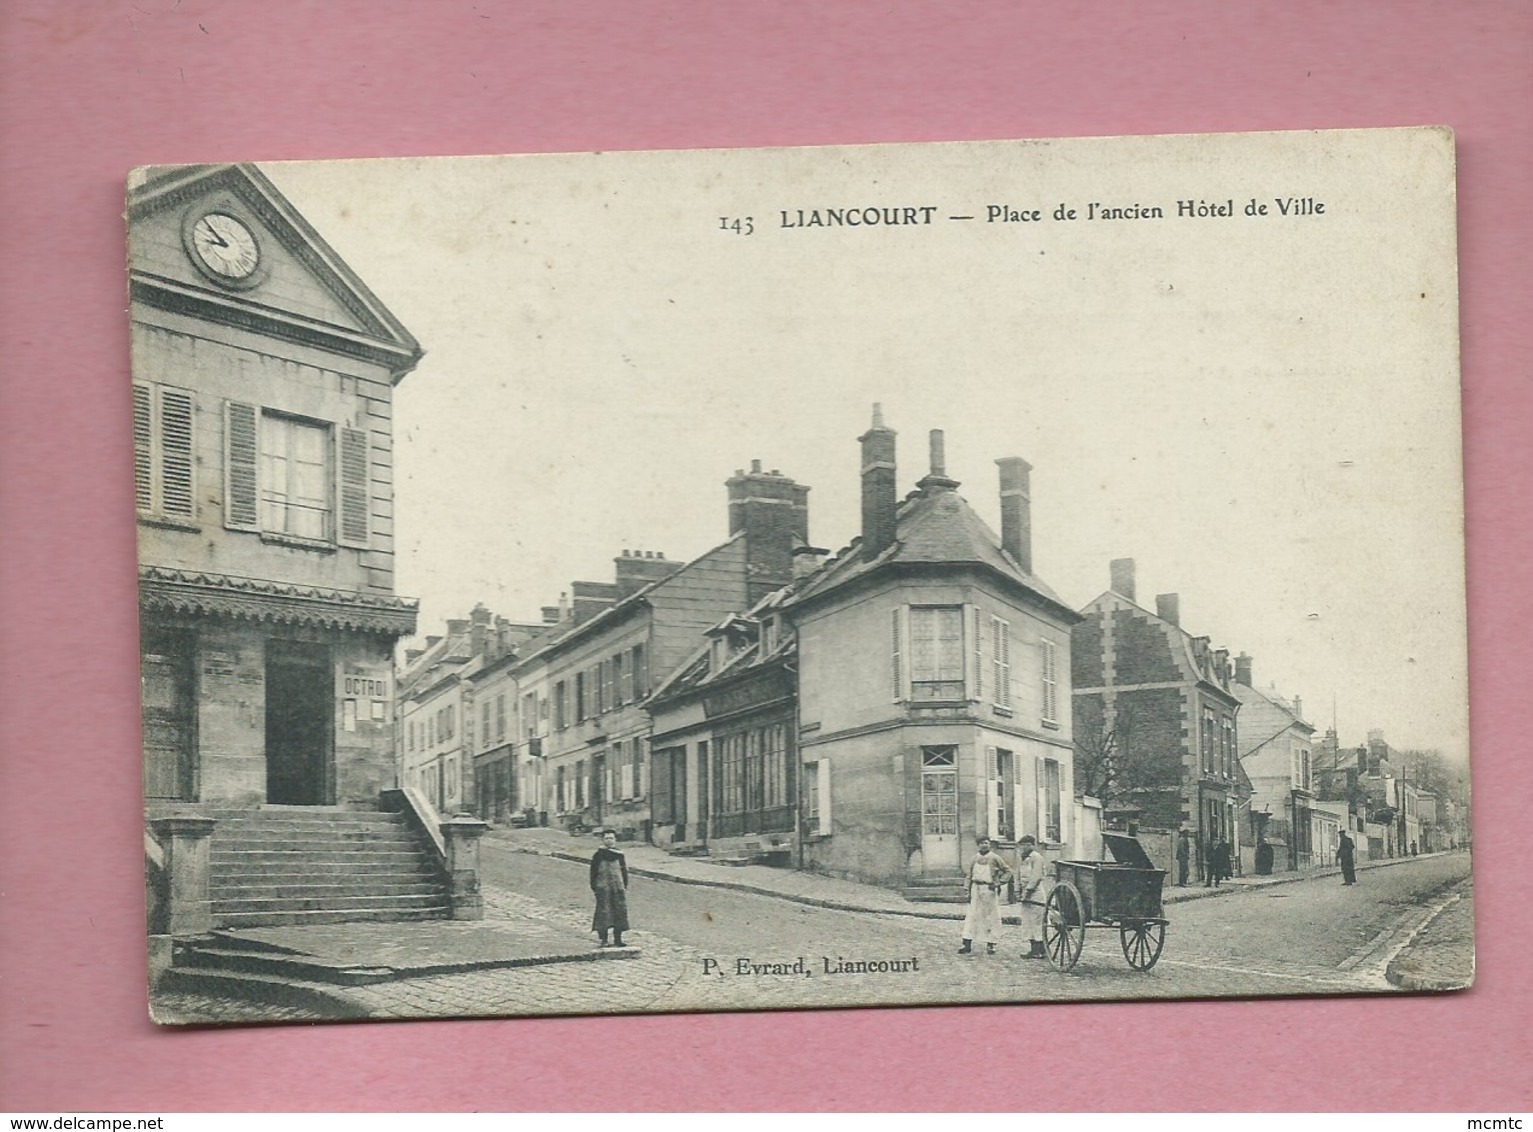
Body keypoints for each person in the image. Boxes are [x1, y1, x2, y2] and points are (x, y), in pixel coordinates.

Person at [958, 835, 1010, 955]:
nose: (984, 845)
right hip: (975, 888)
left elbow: (1008, 871)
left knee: (990, 916)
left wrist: (997, 883)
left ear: (989, 844)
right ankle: (966, 943)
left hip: (989, 889)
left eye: (986, 843)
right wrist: (967, 889)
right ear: (978, 845)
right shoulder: (974, 858)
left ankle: (991, 944)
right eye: (981, 843)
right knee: (972, 915)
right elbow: (969, 875)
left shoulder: (995, 858)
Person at [590, 828, 630, 947]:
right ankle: (604, 939)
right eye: (606, 838)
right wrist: (595, 887)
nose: (609, 840)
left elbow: (623, 871)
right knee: (604, 913)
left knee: (619, 913)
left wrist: (624, 885)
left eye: (611, 838)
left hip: (617, 888)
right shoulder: (598, 855)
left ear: (615, 840)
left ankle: (618, 939)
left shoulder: (619, 855)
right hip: (603, 888)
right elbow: (593, 873)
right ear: (603, 840)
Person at [1015, 834, 1049, 958]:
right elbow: (1017, 875)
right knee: (1027, 920)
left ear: (1032, 845)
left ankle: (1041, 949)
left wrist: (1028, 891)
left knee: (1037, 920)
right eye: (1022, 845)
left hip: (1035, 893)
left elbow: (1036, 876)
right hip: (1024, 893)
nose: (1024, 847)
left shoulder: (1037, 858)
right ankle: (1033, 949)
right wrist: (1017, 891)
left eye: (1027, 845)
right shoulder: (1022, 859)